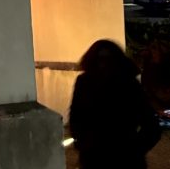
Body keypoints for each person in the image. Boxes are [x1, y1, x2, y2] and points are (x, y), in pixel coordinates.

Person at [68, 39, 161, 169]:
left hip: (124, 157)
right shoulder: (84, 82)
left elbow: (151, 124)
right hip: (95, 157)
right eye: (100, 59)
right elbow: (76, 116)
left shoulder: (129, 84)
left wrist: (134, 150)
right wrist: (83, 143)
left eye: (108, 59)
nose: (104, 64)